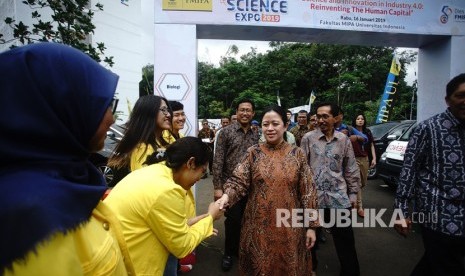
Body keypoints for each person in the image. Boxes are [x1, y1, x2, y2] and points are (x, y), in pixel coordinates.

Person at [0, 43, 135, 275]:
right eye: (103, 105)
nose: (112, 118)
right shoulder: (29, 221)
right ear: (59, 107)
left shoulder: (72, 179)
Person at [216, 105, 318, 275]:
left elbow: (308, 191)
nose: (270, 129)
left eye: (275, 124)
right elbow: (238, 181)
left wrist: (312, 227)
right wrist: (226, 196)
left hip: (289, 226)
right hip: (258, 225)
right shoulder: (253, 153)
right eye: (265, 124)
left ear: (285, 125)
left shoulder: (297, 154)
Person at [104, 137, 224, 275]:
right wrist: (210, 217)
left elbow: (150, 220)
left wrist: (188, 223)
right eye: (202, 172)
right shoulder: (167, 189)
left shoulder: (153, 171)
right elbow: (182, 247)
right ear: (191, 163)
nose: (199, 179)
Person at [394, 73, 465, 276]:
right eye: (461, 95)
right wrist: (401, 211)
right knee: (448, 266)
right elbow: (408, 172)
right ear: (448, 100)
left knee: (434, 265)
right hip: (438, 215)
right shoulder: (428, 129)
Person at [301, 102, 361, 276]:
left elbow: (350, 167)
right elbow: (302, 168)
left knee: (346, 242)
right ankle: (310, 269)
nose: (321, 120)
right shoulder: (308, 138)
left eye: (325, 116)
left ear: (335, 118)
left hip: (338, 198)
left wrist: (353, 193)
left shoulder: (343, 140)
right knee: (309, 240)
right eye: (318, 116)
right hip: (314, 199)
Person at [213, 99, 260, 271]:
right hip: (229, 186)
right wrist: (218, 187)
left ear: (253, 113)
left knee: (249, 220)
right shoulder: (225, 132)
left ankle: (243, 250)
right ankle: (228, 252)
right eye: (242, 110)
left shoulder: (258, 134)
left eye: (248, 110)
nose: (245, 113)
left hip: (252, 186)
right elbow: (217, 160)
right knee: (232, 220)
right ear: (237, 112)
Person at [107, 95, 172, 184]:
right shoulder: (143, 148)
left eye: (168, 110)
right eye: (163, 110)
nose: (168, 114)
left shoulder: (160, 143)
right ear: (149, 113)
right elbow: (147, 184)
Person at [351, 113, 376, 218]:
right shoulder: (350, 131)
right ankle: (358, 206)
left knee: (363, 182)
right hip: (354, 159)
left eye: (362, 119)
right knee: (358, 182)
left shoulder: (367, 132)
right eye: (358, 118)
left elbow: (371, 145)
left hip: (364, 158)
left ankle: (355, 202)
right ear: (355, 120)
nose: (360, 120)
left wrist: (374, 158)